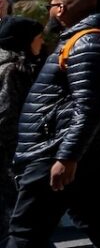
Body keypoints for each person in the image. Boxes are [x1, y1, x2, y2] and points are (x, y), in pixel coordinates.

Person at [7, 0, 100, 248]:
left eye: (51, 5)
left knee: (25, 232)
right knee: (97, 219)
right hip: (68, 148)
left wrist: (67, 157)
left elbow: (89, 106)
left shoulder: (88, 42)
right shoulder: (82, 39)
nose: (49, 11)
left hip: (56, 149)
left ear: (61, 9)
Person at [0, 16, 44, 220]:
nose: (42, 41)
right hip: (13, 154)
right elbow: (6, 114)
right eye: (38, 37)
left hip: (16, 152)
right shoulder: (12, 70)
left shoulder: (18, 67)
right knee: (19, 218)